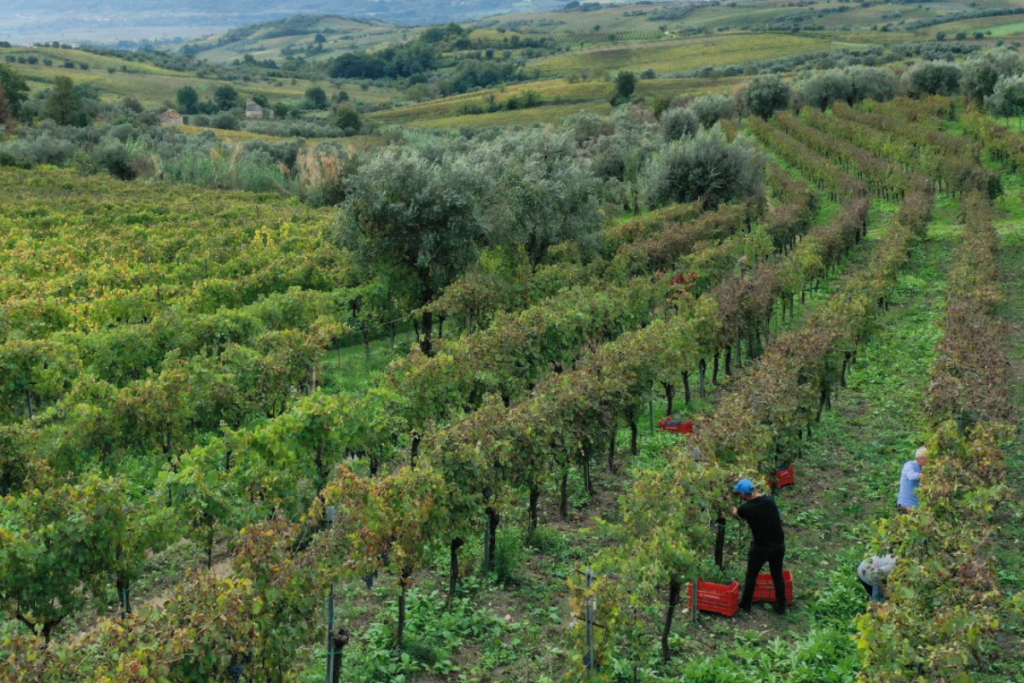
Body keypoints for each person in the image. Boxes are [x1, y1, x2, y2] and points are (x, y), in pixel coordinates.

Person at [732, 478, 787, 615]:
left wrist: (728, 502)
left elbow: (736, 514)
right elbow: (760, 497)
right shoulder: (769, 500)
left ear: (743, 494)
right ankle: (781, 606)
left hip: (761, 547)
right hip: (779, 545)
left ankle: (745, 604)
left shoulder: (746, 509)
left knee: (751, 575)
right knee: (777, 575)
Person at [897, 447, 928, 513]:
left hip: (918, 506)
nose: (927, 461)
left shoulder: (925, 468)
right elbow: (911, 476)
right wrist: (924, 475)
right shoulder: (909, 466)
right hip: (907, 505)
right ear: (918, 459)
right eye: (925, 459)